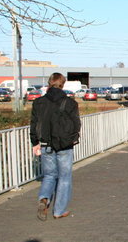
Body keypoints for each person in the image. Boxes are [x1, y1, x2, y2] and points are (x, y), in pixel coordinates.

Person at [30, 72, 81, 220]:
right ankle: (59, 211)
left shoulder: (38, 103)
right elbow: (76, 124)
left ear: (49, 83)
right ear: (62, 84)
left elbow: (34, 125)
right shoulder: (70, 103)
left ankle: (44, 198)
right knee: (64, 177)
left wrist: (35, 143)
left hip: (46, 144)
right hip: (65, 145)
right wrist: (73, 139)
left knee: (49, 175)